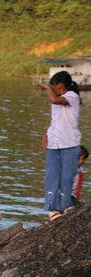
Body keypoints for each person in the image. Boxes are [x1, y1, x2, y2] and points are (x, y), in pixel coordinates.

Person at [40, 70, 82, 221]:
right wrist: (46, 134)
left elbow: (54, 100)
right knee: (52, 176)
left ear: (59, 85)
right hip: (54, 142)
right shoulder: (57, 98)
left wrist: (47, 87)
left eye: (53, 84)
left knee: (66, 177)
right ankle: (52, 209)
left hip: (69, 143)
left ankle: (65, 206)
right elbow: (56, 121)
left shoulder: (72, 96)